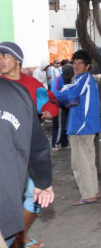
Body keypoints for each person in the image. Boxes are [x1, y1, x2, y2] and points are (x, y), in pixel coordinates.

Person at [0, 42, 58, 247]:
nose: (0, 60)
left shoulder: (32, 85)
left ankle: (20, 237)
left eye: (5, 55)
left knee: (33, 199)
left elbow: (49, 100)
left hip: (29, 150)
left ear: (18, 59)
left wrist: (49, 109)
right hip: (6, 156)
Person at [53, 51, 101, 206]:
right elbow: (70, 92)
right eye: (74, 63)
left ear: (87, 66)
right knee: (88, 162)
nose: (76, 66)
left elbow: (69, 93)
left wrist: (53, 93)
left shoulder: (84, 80)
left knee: (80, 163)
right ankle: (93, 191)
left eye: (80, 63)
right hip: (85, 126)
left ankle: (88, 195)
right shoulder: (83, 79)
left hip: (81, 127)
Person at [51, 64, 75, 152]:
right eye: (72, 72)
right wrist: (66, 96)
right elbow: (56, 94)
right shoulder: (57, 80)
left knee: (65, 125)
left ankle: (64, 142)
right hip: (58, 106)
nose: (73, 74)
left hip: (66, 105)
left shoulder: (69, 80)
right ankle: (55, 143)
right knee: (59, 125)